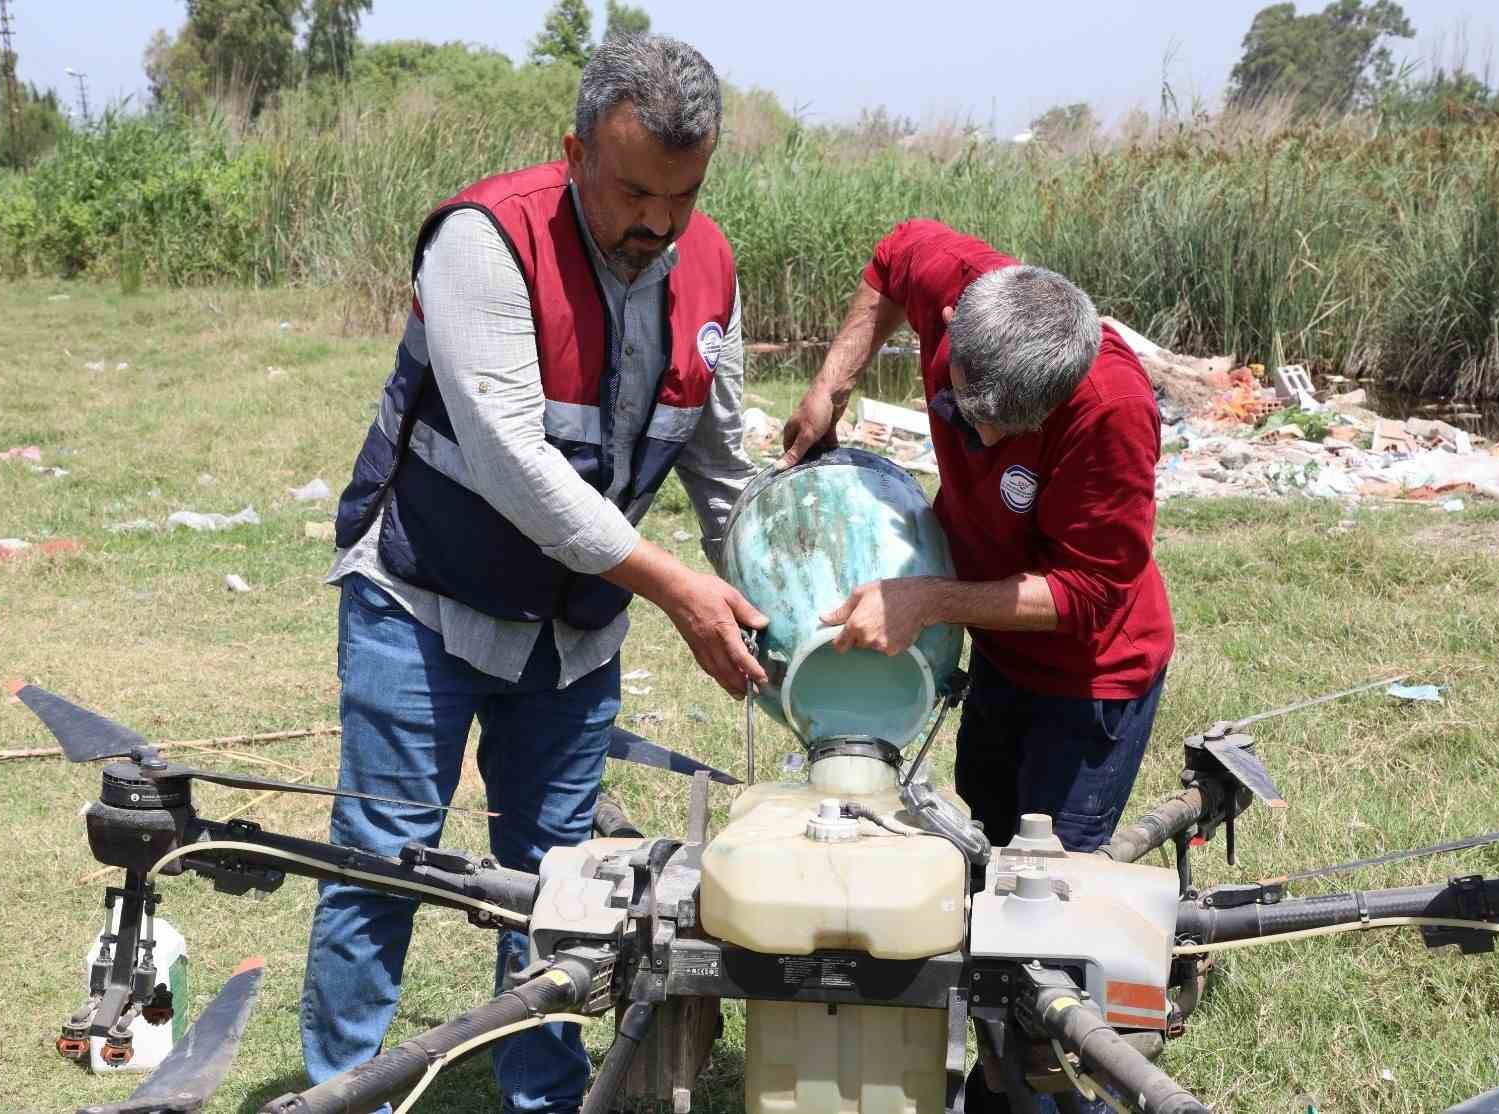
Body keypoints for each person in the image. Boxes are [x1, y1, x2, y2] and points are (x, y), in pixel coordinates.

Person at [303, 34, 767, 1114]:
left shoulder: (710, 270)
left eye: (683, 195)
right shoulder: (483, 242)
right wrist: (677, 589)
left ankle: (544, 1098)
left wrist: (765, 592)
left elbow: (722, 469)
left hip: (575, 630)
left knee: (561, 885)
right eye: (632, 191)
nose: (655, 222)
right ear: (573, 151)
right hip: (425, 598)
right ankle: (343, 1093)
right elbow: (514, 462)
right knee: (385, 857)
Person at [779, 219, 1174, 1113]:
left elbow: (1089, 592)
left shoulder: (1111, 409)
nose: (986, 444)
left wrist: (931, 599)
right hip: (999, 653)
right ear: (950, 323)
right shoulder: (952, 280)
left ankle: (1038, 1083)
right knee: (980, 860)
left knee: (1043, 904)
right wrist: (830, 385)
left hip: (1089, 676)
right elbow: (888, 255)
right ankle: (981, 1060)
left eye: (1013, 428)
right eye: (968, 413)